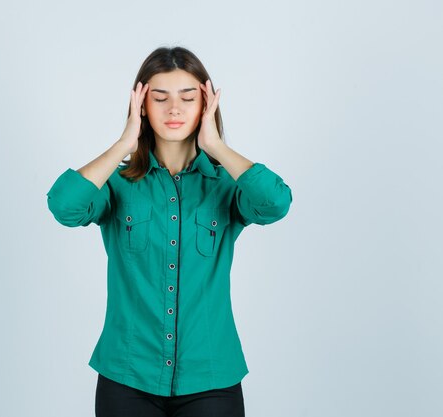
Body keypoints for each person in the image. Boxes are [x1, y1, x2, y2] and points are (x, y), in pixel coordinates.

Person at [46, 46, 293, 417]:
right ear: (141, 105)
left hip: (211, 379)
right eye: (159, 98)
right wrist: (124, 144)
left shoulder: (227, 184)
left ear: (206, 105)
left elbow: (275, 203)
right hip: (127, 377)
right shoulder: (117, 184)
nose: (174, 109)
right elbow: (64, 206)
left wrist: (216, 146)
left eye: (188, 97)